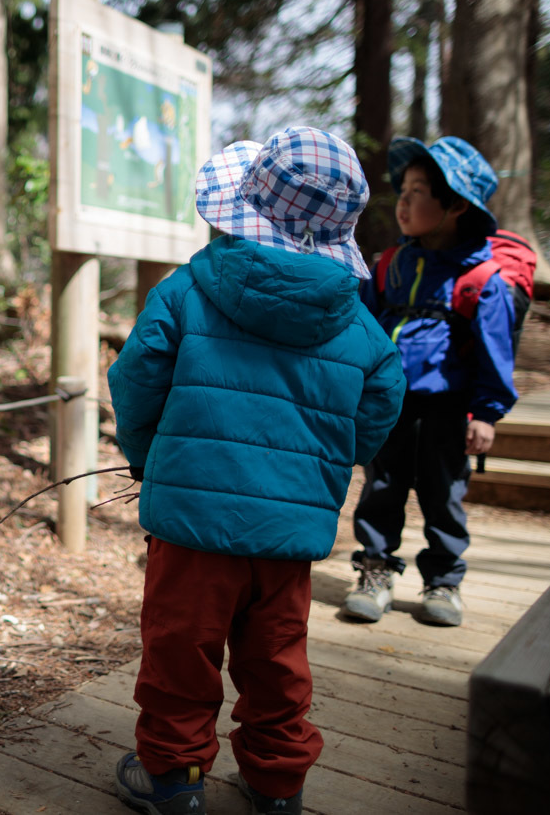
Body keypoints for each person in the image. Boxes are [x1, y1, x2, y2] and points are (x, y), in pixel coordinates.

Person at [108, 127, 406, 815]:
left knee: (180, 655)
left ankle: (175, 783)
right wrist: (330, 460)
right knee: (277, 662)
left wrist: (150, 455)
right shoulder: (359, 325)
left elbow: (135, 380)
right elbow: (382, 404)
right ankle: (277, 786)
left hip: (190, 531)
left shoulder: (186, 291)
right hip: (290, 531)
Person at [343, 136, 518, 628]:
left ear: (456, 204)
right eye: (404, 188)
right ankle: (375, 571)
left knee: (443, 494)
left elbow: (495, 353)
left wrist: (486, 413)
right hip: (390, 404)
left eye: (420, 190)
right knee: (382, 485)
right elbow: (365, 332)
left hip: (448, 406)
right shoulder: (389, 266)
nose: (404, 199)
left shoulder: (482, 280)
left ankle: (443, 581)